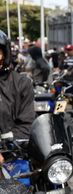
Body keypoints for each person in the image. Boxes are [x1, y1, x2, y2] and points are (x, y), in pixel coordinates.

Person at [0, 30, 34, 165]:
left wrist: (6, 148)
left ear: (4, 53)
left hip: (14, 152)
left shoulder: (21, 83)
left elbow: (27, 122)